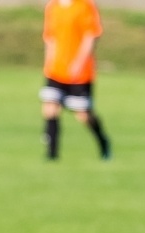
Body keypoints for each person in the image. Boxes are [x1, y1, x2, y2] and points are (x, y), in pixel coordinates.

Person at [41, 0, 111, 160]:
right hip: (56, 69)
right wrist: (48, 62)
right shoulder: (53, 6)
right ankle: (52, 155)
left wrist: (79, 62)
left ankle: (103, 141)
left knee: (83, 115)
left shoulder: (85, 5)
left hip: (79, 72)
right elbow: (50, 37)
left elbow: (90, 35)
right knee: (50, 108)